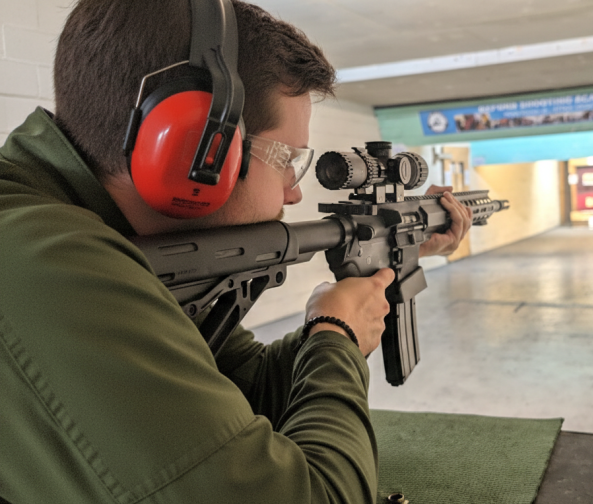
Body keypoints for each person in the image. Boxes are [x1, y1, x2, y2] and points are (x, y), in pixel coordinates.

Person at [0, 1, 472, 502]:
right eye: (287, 159)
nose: (293, 192)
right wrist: (339, 338)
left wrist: (326, 326)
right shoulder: (51, 265)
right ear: (198, 152)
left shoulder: (91, 234)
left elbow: (244, 386)